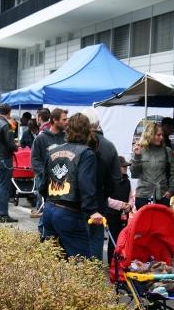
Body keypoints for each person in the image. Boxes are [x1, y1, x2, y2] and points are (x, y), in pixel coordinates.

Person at [40, 113, 103, 259]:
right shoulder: (86, 153)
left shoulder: (53, 151)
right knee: (81, 263)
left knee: (54, 261)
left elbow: (43, 183)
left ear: (67, 130)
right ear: (88, 131)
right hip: (69, 212)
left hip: (49, 209)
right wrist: (92, 210)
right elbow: (85, 183)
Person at [81, 108, 122, 261]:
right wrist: (107, 193)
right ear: (98, 124)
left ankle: (80, 273)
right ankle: (94, 272)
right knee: (96, 237)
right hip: (100, 199)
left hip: (79, 201)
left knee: (81, 237)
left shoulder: (77, 144)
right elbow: (117, 178)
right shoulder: (109, 146)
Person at [31, 108, 68, 232]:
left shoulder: (67, 138)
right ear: (54, 120)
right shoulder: (41, 138)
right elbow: (35, 160)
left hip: (64, 182)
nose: (66, 122)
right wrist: (44, 175)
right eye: (64, 119)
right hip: (46, 182)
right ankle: (44, 235)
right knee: (47, 208)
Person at [131, 122, 174, 210]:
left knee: (160, 223)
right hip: (143, 196)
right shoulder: (140, 150)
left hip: (162, 196)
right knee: (145, 223)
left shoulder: (167, 151)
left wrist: (170, 191)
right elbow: (134, 174)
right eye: (158, 135)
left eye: (162, 135)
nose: (161, 137)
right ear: (150, 135)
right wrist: (137, 156)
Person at [106, 156, 135, 264]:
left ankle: (120, 261)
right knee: (113, 238)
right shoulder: (109, 181)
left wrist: (129, 206)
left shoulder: (127, 181)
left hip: (124, 214)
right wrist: (122, 205)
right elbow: (106, 200)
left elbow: (131, 196)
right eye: (123, 166)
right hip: (112, 214)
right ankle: (111, 262)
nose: (126, 168)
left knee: (122, 238)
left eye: (126, 166)